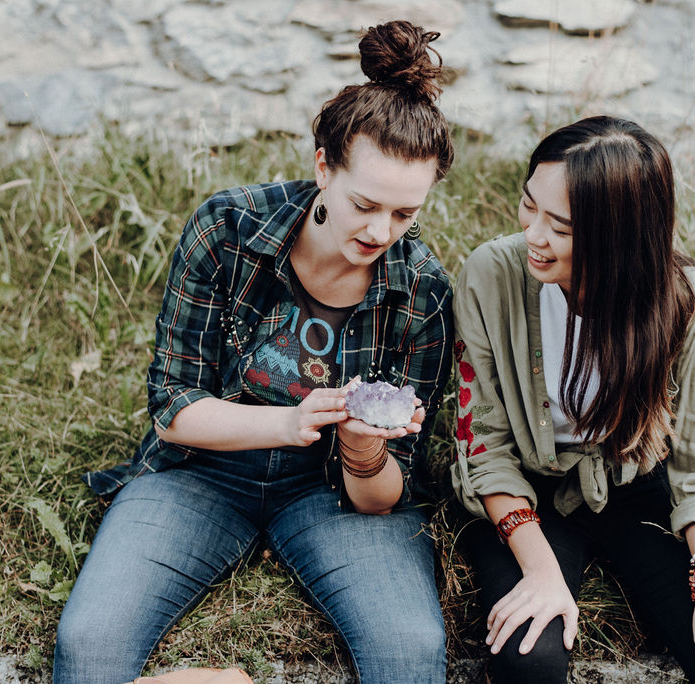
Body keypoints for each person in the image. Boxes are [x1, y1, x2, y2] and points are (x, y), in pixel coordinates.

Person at [54, 20, 454, 684]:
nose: (381, 231)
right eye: (365, 204)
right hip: (201, 471)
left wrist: (362, 449)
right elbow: (173, 407)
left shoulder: (423, 293)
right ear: (322, 166)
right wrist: (289, 423)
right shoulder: (228, 228)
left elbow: (385, 496)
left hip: (331, 491)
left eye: (405, 215)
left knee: (409, 654)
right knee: (89, 643)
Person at [450, 116, 695, 684]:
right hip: (528, 489)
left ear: (619, 238)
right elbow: (485, 447)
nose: (534, 235)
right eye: (530, 206)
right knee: (530, 666)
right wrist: (541, 570)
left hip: (635, 489)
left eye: (562, 227)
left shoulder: (686, 299)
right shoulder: (489, 276)